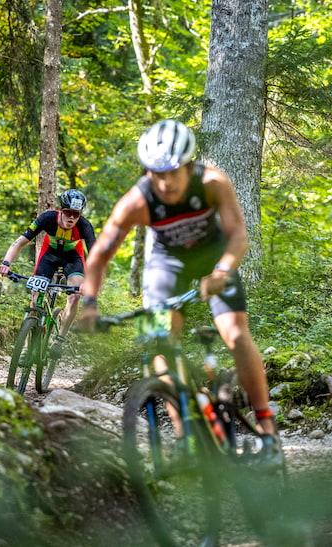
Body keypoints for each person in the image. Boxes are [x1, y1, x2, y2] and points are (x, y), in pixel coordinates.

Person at [78, 119, 281, 462]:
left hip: (214, 258)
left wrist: (222, 271)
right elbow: (98, 257)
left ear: (188, 165)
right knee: (156, 340)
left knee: (234, 334)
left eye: (173, 172)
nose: (165, 182)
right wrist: (89, 304)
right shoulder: (136, 201)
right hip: (166, 264)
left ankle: (267, 429)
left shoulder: (213, 182)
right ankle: (186, 436)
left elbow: (238, 236)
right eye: (156, 173)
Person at [0, 189, 95, 358]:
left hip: (73, 258)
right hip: (49, 255)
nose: (72, 218)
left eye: (76, 214)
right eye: (68, 212)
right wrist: (6, 263)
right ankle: (27, 347)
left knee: (74, 296)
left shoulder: (85, 226)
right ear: (60, 210)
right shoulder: (47, 218)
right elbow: (19, 242)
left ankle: (60, 340)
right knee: (36, 296)